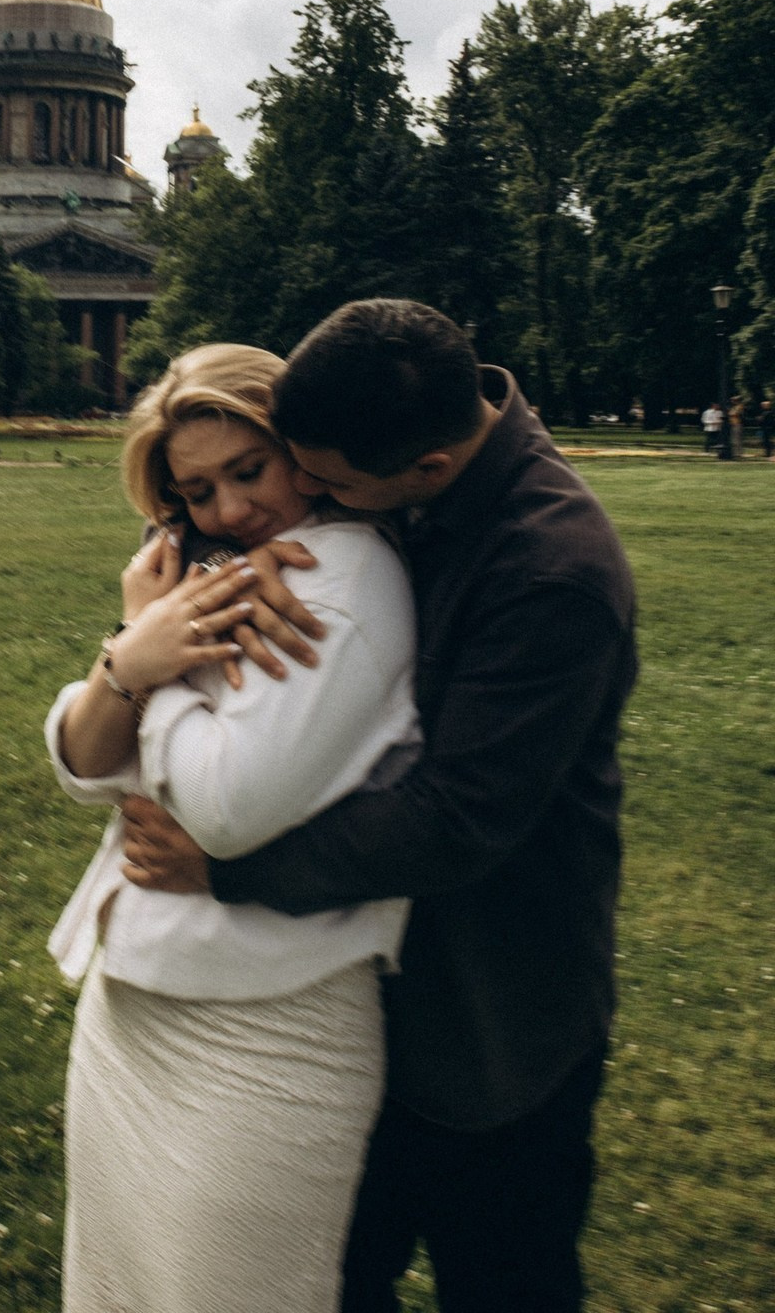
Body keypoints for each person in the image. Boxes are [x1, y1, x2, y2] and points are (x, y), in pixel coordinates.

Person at [121, 301, 638, 1313]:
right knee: (331, 1285)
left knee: (501, 1281)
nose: (307, 498)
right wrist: (220, 563)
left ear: (426, 475)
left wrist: (221, 867)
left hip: (486, 1012)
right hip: (352, 1001)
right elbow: (226, 487)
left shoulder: (552, 571)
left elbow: (452, 820)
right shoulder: (387, 418)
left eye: (331, 487)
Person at [44, 343, 420, 1313]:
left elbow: (221, 809)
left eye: (246, 472)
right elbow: (86, 764)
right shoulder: (214, 575)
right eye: (196, 492)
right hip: (130, 1007)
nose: (226, 511)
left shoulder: (345, 579)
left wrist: (150, 667)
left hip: (262, 1025)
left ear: (294, 443)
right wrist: (134, 656)